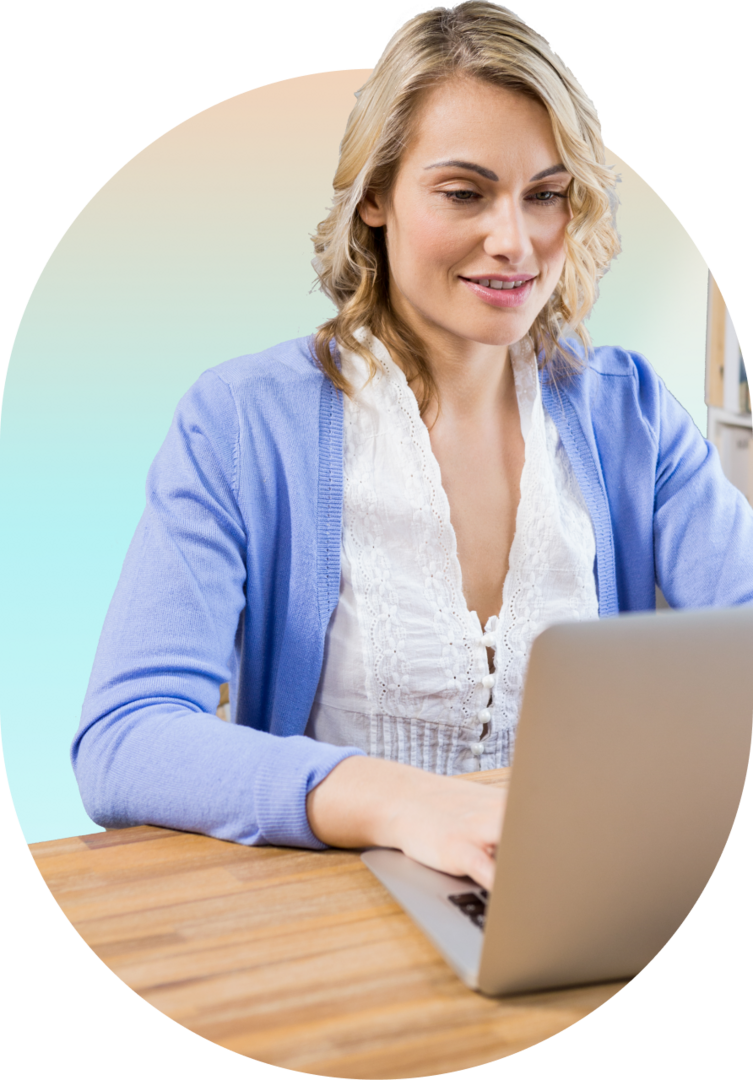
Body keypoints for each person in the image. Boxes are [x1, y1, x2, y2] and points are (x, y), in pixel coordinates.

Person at [71, 2, 753, 894]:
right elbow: (125, 737)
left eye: (545, 194)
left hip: (567, 891)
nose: (514, 242)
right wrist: (401, 803)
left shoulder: (629, 414)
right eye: (464, 192)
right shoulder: (242, 421)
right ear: (378, 197)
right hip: (327, 908)